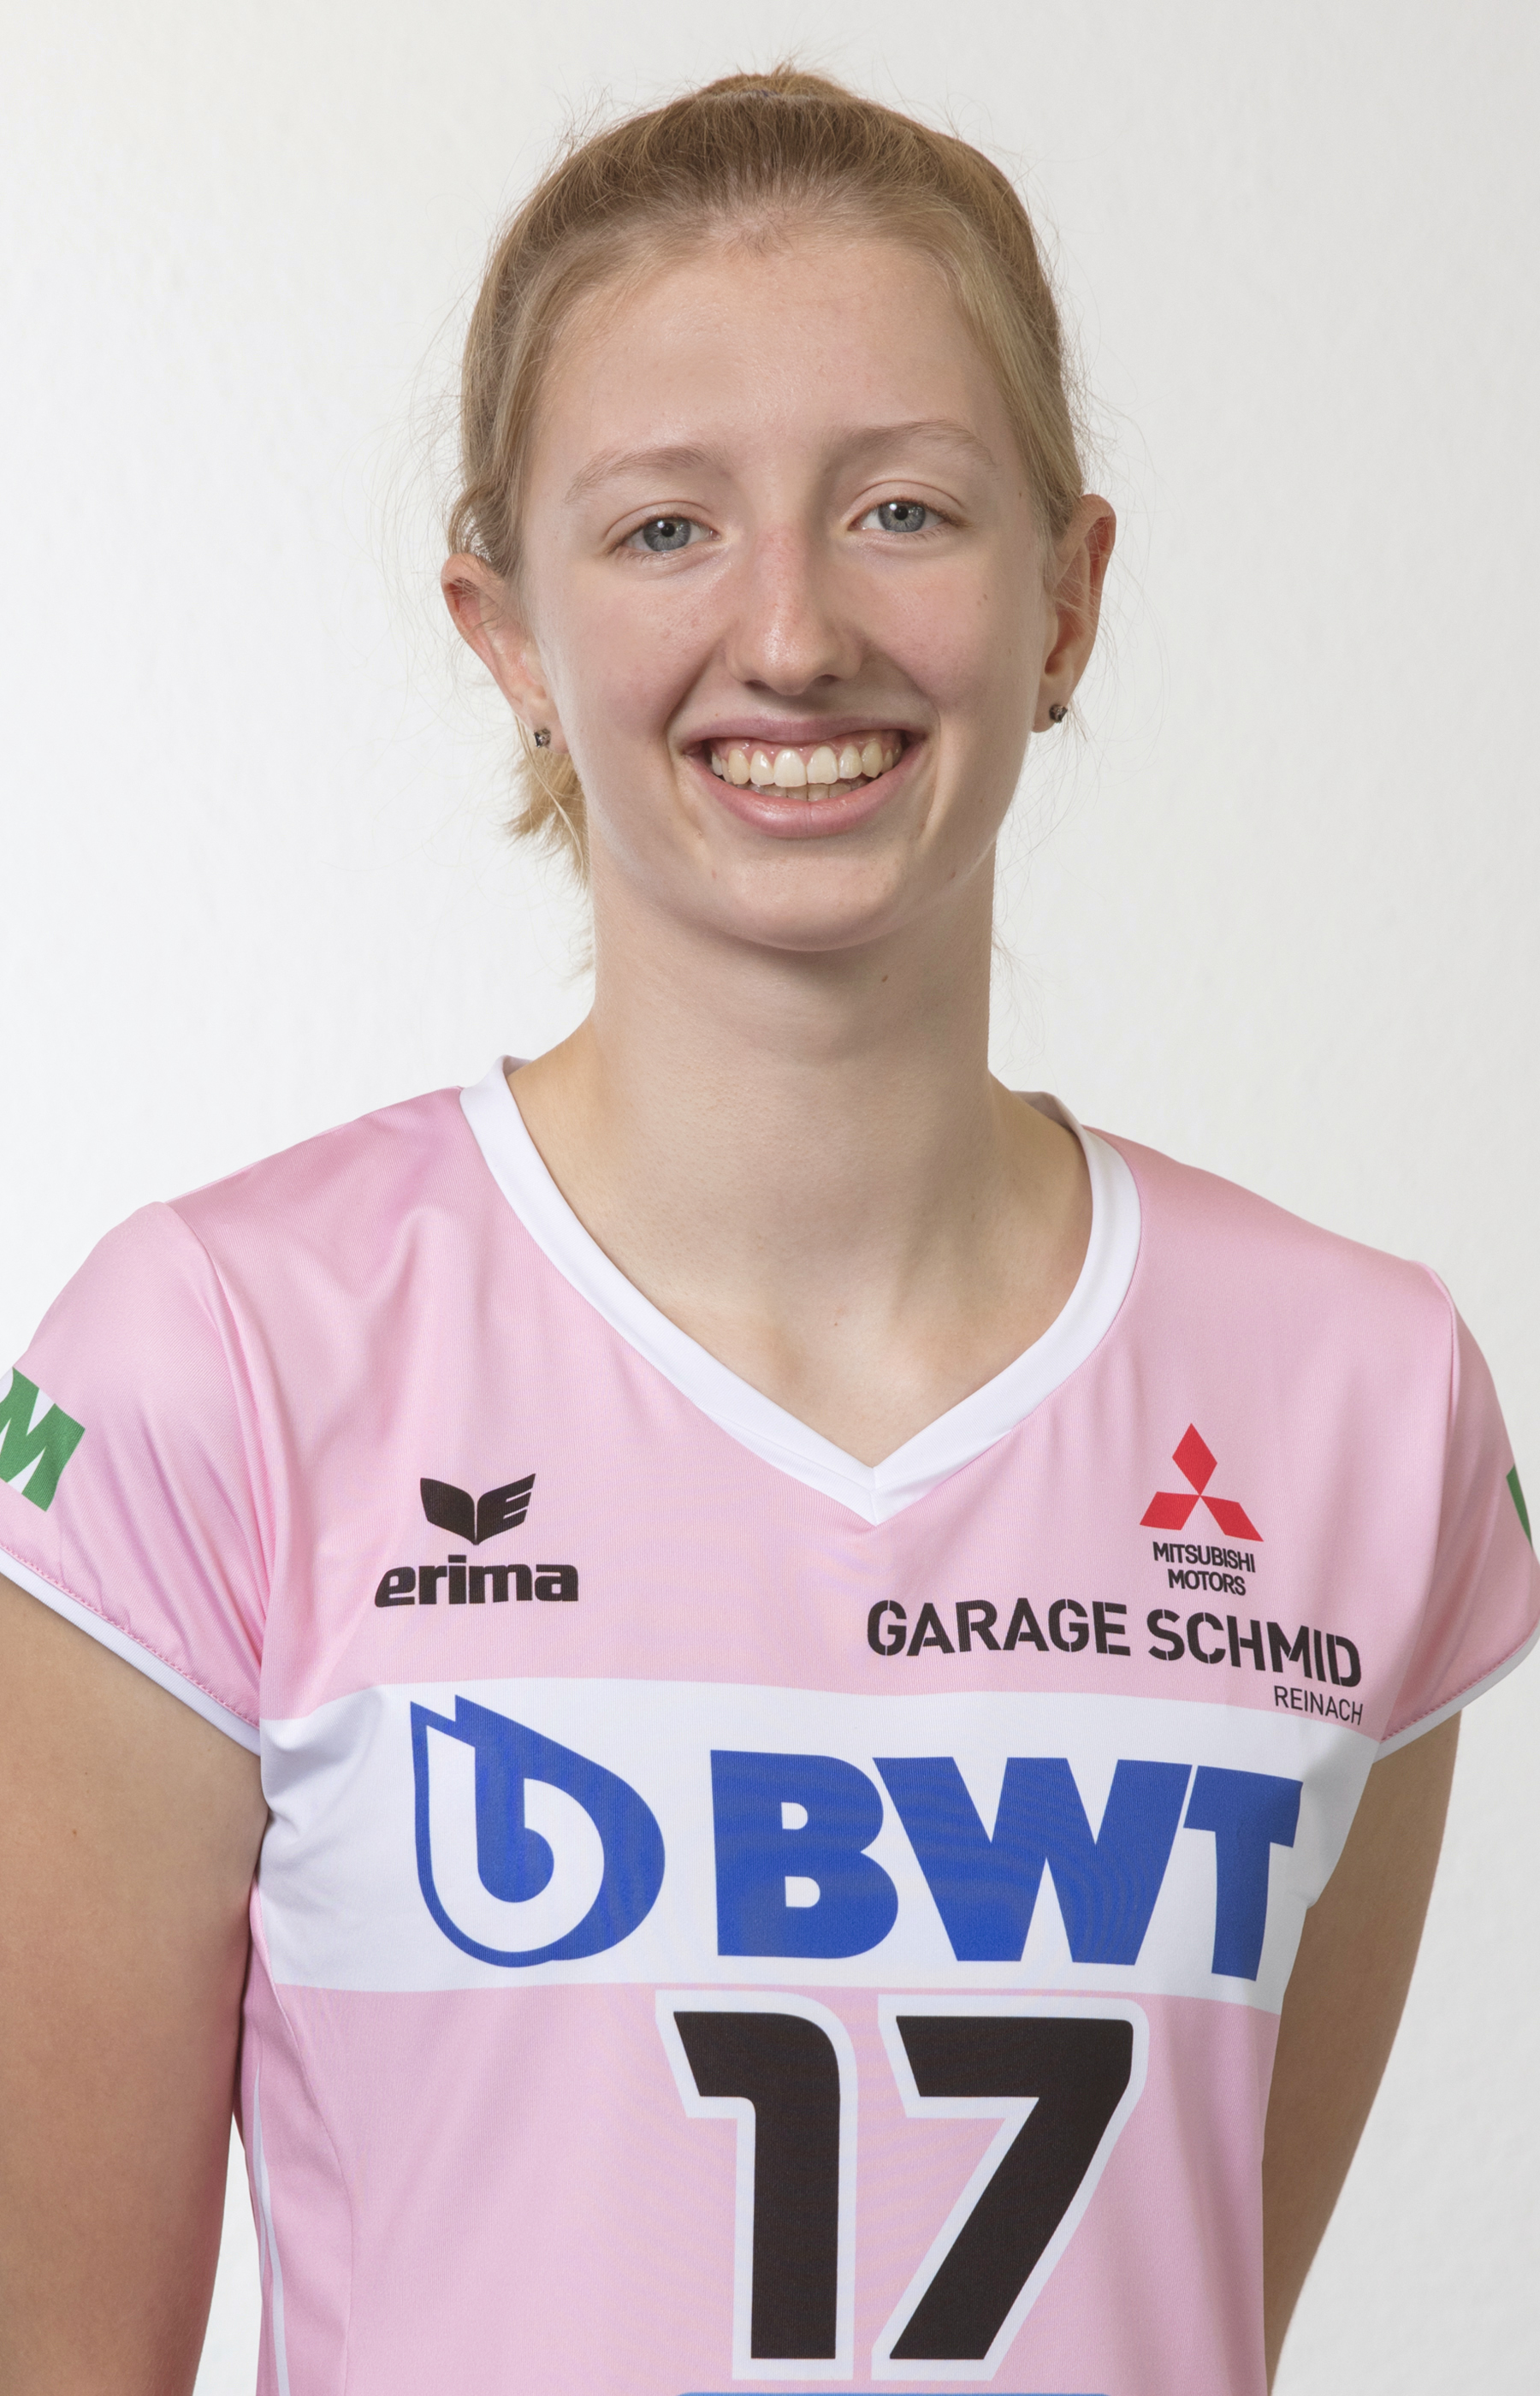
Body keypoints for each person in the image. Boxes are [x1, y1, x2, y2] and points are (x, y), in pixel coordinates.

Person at [0, 65, 1534, 2396]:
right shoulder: (216, 1359)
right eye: (662, 529)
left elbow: (1194, 2310)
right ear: (503, 629)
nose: (794, 632)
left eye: (904, 509)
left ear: (1068, 596)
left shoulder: (1362, 1398)